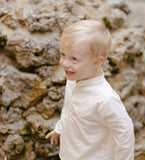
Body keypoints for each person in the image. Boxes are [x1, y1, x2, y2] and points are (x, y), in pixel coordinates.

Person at [46, 19, 135, 160]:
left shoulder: (105, 99)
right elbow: (69, 108)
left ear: (97, 62)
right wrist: (60, 128)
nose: (65, 63)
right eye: (63, 55)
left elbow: (124, 132)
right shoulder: (74, 80)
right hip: (70, 154)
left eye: (74, 59)